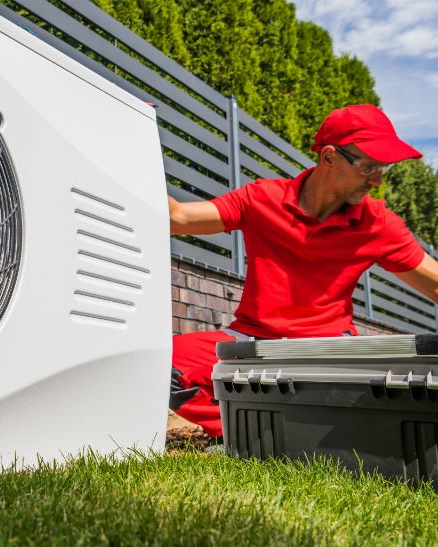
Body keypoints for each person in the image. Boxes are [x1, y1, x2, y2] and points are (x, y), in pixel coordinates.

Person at [168, 104, 438, 438]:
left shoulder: (378, 224)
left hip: (326, 350)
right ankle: (250, 430)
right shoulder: (261, 198)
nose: (378, 180)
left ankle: (260, 427)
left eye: (383, 168)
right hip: (251, 342)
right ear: (329, 157)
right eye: (368, 166)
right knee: (162, 365)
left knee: (374, 398)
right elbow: (178, 218)